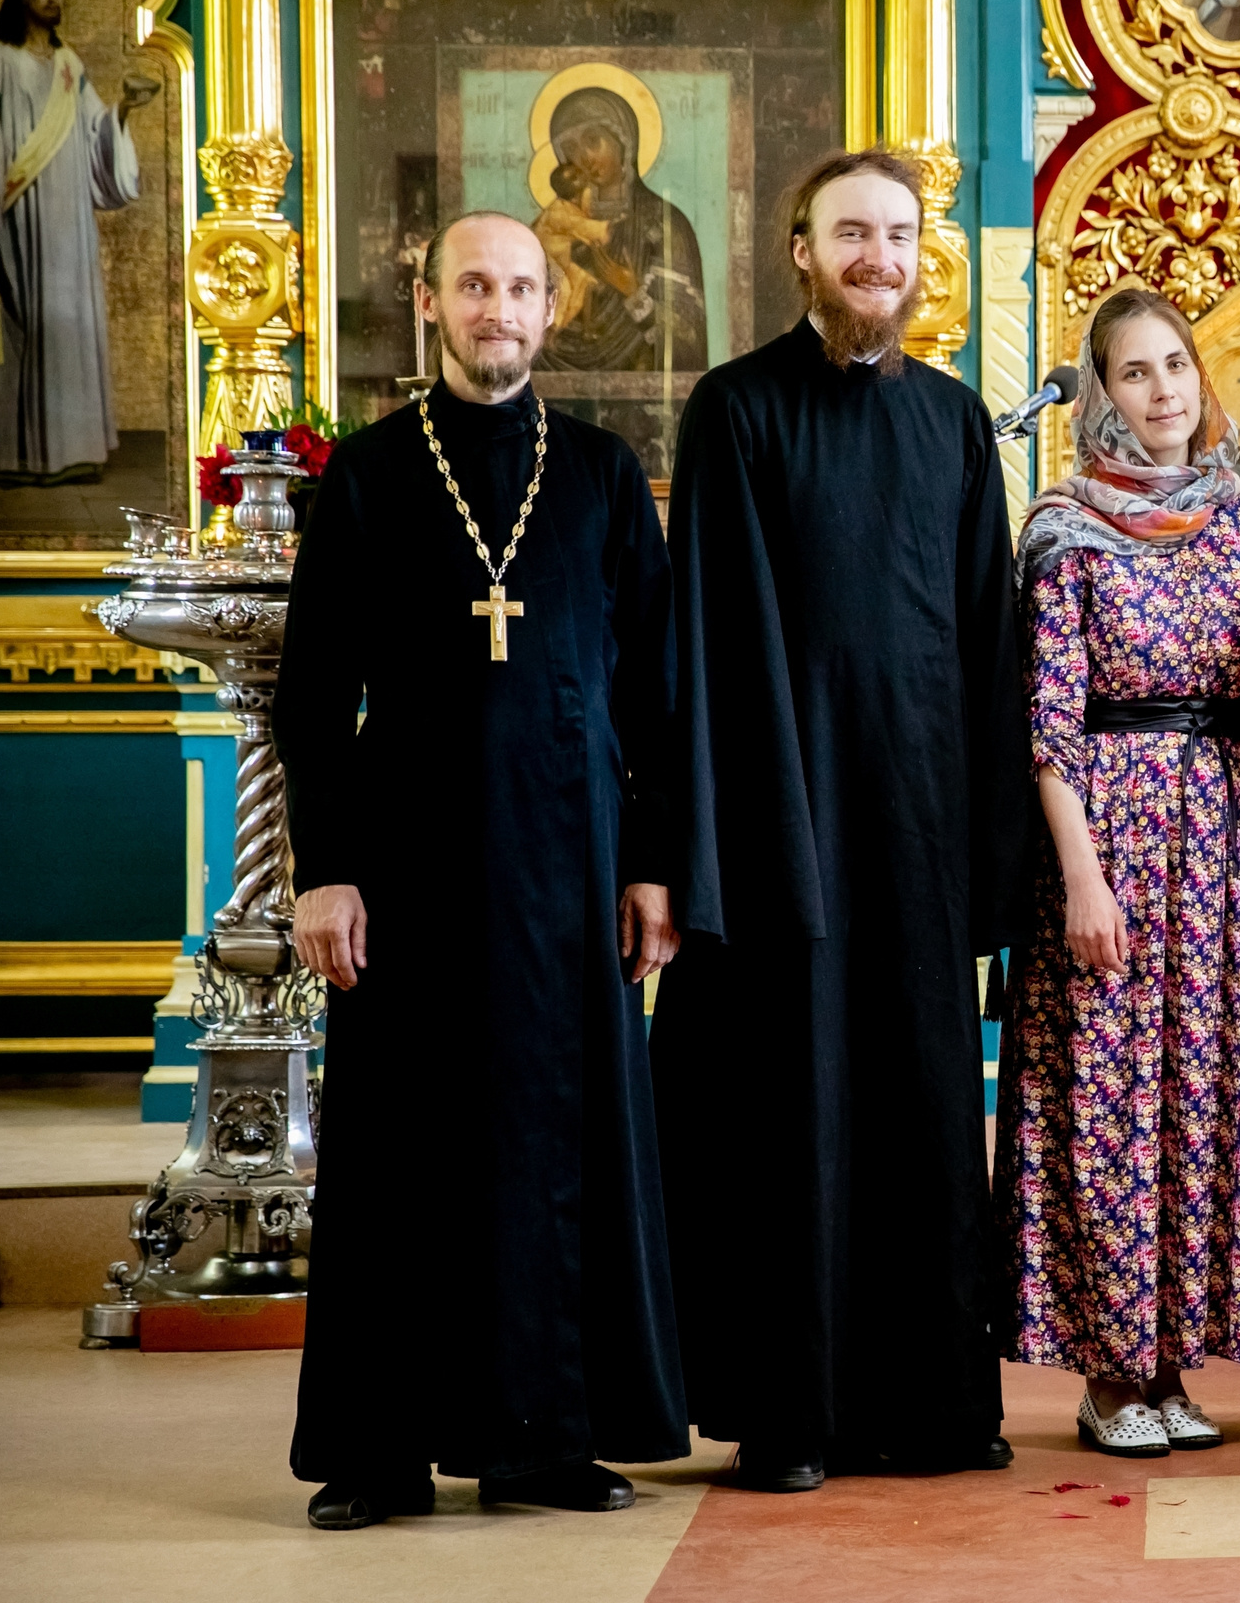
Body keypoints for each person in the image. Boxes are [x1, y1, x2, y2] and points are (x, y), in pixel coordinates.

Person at [277, 210, 685, 1529]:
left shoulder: (607, 476)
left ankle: (545, 1441)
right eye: (474, 285)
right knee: (401, 1152)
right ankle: (378, 1450)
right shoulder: (372, 472)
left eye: (519, 287)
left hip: (568, 870)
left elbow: (655, 692)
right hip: (406, 867)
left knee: (555, 1147)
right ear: (432, 304)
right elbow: (310, 690)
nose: (497, 308)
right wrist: (326, 871)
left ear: (550, 306)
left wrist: (652, 867)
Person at [650, 148, 1035, 1493]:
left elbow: (993, 637)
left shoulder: (949, 419)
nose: (879, 254)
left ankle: (934, 1404)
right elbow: (712, 638)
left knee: (925, 1118)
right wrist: (722, 849)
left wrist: (995, 867)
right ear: (801, 251)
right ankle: (791, 1413)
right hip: (786, 827)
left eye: (899, 234)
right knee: (793, 1122)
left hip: (919, 829)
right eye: (851, 233)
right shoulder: (738, 410)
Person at [995, 288, 1240, 1458]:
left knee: (1202, 1098)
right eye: (1134, 372)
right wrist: (1080, 877)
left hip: (1221, 838)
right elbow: (1051, 719)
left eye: (1177, 364)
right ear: (1101, 394)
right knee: (1110, 1096)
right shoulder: (1066, 524)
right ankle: (1109, 1376)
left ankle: (1175, 1363)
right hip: (1110, 828)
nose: (1165, 389)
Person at [0, 0, 154, 488]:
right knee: (30, 324)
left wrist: (124, 110)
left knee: (72, 319)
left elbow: (94, 132)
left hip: (70, 218)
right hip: (19, 207)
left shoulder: (69, 64)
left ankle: (76, 449)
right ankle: (22, 456)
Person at [535, 84, 708, 375]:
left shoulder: (664, 223)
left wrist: (632, 291)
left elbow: (688, 344)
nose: (583, 158)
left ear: (624, 142)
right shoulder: (551, 225)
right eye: (571, 149)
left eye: (593, 141)